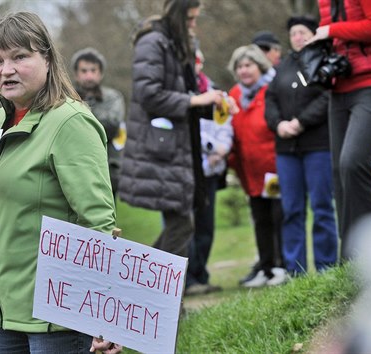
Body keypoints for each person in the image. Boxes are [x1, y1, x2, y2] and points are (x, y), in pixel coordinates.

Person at [0, 12, 121, 354]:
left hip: (57, 314)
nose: (7, 70)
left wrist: (102, 315)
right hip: (5, 311)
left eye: (20, 56)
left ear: (47, 58)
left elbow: (98, 222)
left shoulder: (70, 122)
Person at [119, 0, 231, 261]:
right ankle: (161, 296)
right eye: (190, 19)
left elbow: (185, 95)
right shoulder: (153, 42)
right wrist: (195, 100)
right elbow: (149, 95)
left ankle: (144, 288)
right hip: (161, 148)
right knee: (182, 225)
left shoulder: (177, 43)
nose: (194, 25)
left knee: (181, 225)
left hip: (178, 148)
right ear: (177, 15)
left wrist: (214, 102)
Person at [309, 0, 371, 259]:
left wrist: (332, 30)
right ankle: (351, 259)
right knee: (339, 172)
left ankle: (369, 254)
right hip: (340, 87)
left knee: (353, 163)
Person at [265, 16, 338, 277]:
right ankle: (295, 271)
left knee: (321, 206)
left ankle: (327, 267)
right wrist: (279, 124)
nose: (298, 37)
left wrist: (301, 122)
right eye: (294, 33)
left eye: (302, 32)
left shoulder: (322, 61)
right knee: (291, 210)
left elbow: (328, 96)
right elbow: (270, 99)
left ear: (313, 34)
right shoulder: (282, 67)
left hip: (317, 144)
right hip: (287, 149)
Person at [227, 44, 286, 287]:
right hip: (248, 170)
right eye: (239, 67)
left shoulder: (272, 90)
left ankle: (282, 265)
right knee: (260, 219)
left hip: (274, 166)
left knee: (278, 217)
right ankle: (265, 265)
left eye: (248, 65)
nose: (244, 71)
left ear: (260, 66)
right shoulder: (234, 95)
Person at [185, 49, 230, 295]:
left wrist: (222, 149)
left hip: (210, 170)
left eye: (197, 62)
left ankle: (201, 274)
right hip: (188, 169)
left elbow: (224, 124)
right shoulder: (182, 94)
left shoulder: (215, 91)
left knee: (206, 226)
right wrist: (210, 146)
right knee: (186, 227)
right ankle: (188, 279)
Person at [70, 47, 126, 197]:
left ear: (100, 73)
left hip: (107, 170)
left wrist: (79, 116)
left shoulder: (113, 97)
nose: (89, 75)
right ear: (76, 74)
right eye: (84, 71)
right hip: (74, 168)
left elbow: (112, 126)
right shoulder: (66, 97)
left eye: (93, 70)